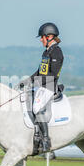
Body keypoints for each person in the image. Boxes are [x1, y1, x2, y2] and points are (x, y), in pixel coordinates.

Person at [16, 22, 64, 152]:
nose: (41, 40)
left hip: (49, 86)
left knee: (36, 107)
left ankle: (46, 140)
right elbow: (40, 71)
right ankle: (35, 135)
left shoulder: (57, 52)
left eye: (42, 37)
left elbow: (52, 74)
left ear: (49, 36)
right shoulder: (46, 52)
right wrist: (27, 81)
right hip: (42, 85)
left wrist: (36, 82)